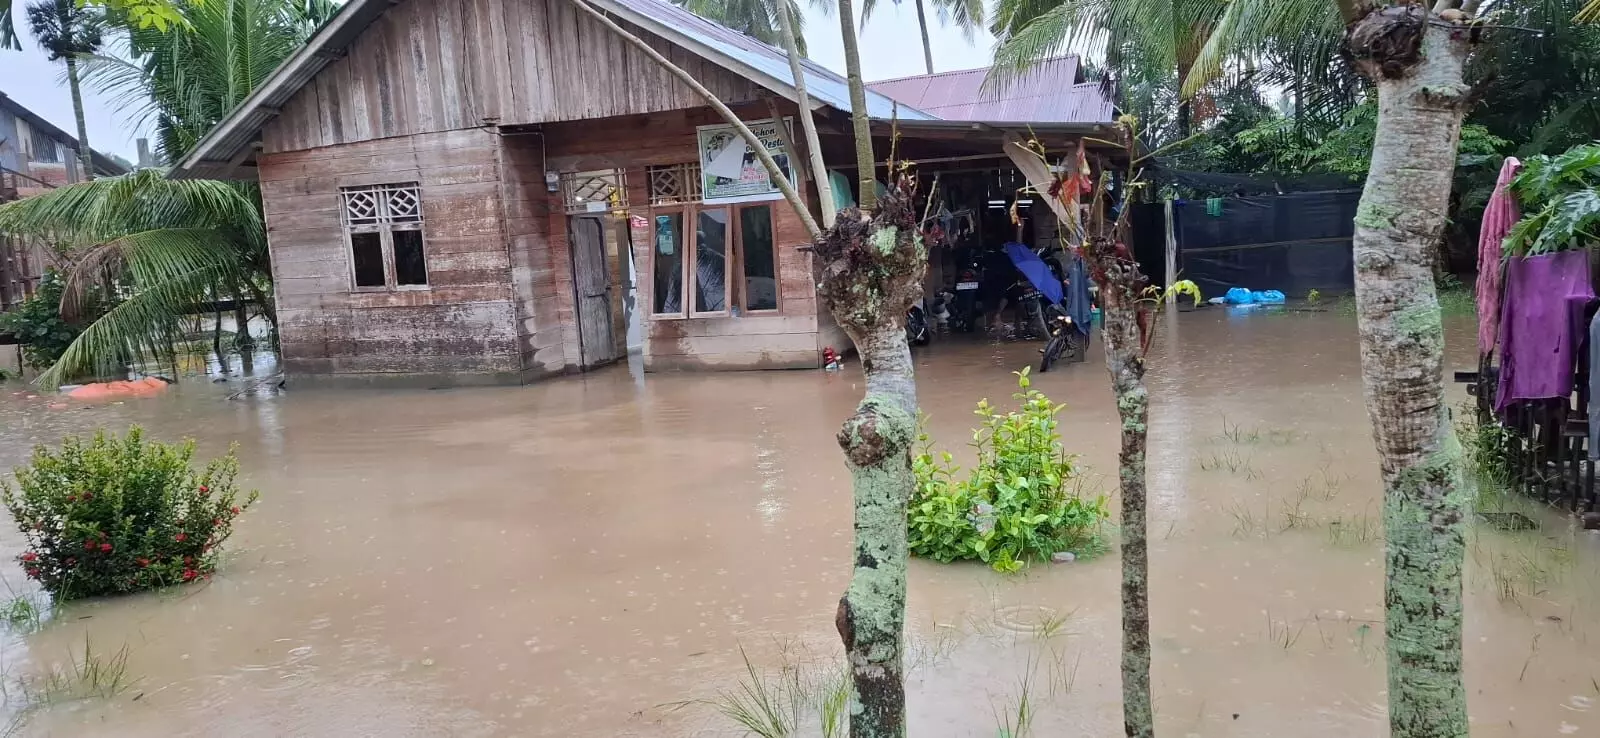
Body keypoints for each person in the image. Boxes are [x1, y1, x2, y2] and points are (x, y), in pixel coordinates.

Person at [980, 246, 1017, 334]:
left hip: (993, 284)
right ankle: (996, 320)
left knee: (995, 302)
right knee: (1003, 298)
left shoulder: (990, 256)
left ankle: (994, 321)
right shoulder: (1007, 258)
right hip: (1001, 283)